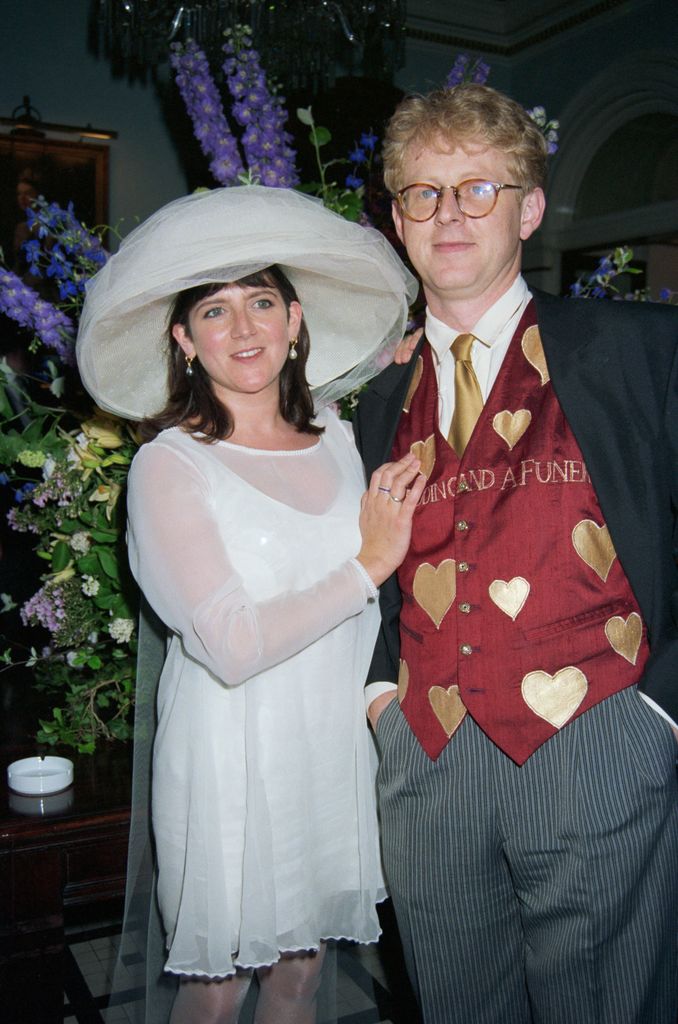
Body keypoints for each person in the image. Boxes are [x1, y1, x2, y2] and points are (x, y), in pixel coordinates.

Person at [354, 82, 678, 1024]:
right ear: (398, 219)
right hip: (427, 759)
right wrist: (380, 699)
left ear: (529, 209)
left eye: (478, 189)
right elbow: (374, 567)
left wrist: (658, 715)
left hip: (600, 742)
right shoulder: (379, 401)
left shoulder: (638, 349)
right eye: (423, 192)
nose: (449, 213)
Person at [75, 185, 424, 1024]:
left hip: (329, 747)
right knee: (219, 986)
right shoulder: (171, 467)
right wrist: (370, 565)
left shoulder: (342, 438)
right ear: (182, 339)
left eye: (262, 302)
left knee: (302, 975)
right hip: (231, 756)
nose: (244, 330)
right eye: (215, 312)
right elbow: (229, 644)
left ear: (295, 319)